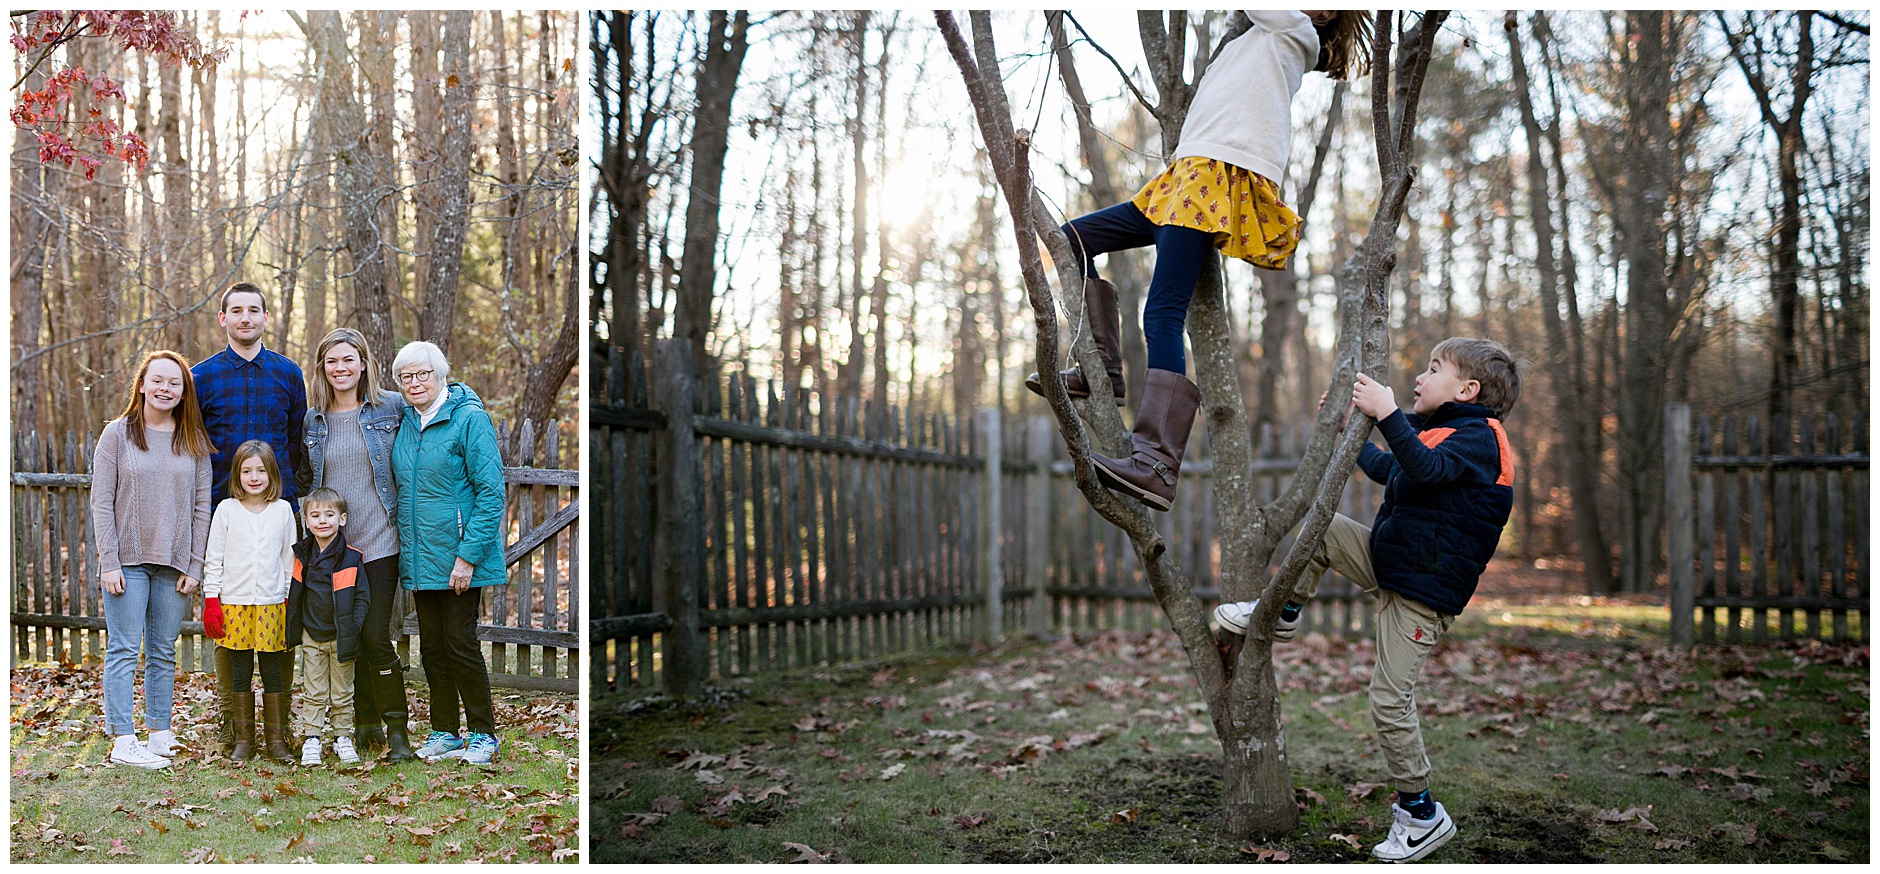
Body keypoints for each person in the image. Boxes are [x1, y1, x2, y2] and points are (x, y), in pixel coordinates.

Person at [1026, 10, 1372, 511]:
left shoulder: (1294, 31)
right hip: (1185, 177)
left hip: (1213, 178)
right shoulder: (1261, 34)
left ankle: (1157, 463)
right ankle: (1100, 364)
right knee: (1072, 239)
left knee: (1163, 312)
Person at [1214, 337, 1521, 863]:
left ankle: (1422, 813)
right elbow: (1392, 469)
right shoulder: (1442, 431)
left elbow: (1423, 468)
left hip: (1424, 592)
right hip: (1395, 563)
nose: (1419, 378)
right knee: (1325, 529)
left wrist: (1385, 412)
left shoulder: (1482, 438)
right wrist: (1350, 433)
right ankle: (1283, 614)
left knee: (1388, 699)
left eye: (1433, 369)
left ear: (1467, 390)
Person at [193, 281, 310, 753]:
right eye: (236, 311)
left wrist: (296, 506)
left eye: (254, 310)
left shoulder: (287, 373)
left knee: (277, 621)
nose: (245, 318)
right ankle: (232, 723)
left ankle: (280, 730)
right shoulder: (202, 377)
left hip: (278, 515)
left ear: (266, 317)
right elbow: (193, 447)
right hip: (225, 514)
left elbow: (299, 444)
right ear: (223, 319)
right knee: (230, 626)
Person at [89, 350, 214, 769]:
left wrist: (194, 565)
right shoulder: (118, 434)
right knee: (125, 649)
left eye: (174, 383)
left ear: (183, 391)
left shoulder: (193, 440)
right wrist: (109, 561)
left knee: (163, 650)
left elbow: (202, 508)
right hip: (127, 560)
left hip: (174, 563)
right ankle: (124, 740)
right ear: (141, 384)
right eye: (157, 380)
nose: (165, 388)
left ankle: (160, 733)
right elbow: (101, 502)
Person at [391, 341, 507, 765]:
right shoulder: (404, 422)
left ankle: (483, 733)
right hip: (421, 557)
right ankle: (445, 732)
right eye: (406, 377)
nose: (415, 383)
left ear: (441, 375)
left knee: (460, 644)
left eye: (422, 374)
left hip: (459, 556)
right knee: (432, 648)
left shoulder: (470, 420)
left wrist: (468, 555)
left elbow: (491, 493)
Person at [303, 327, 413, 761]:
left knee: (374, 636)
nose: (341, 368)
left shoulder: (392, 408)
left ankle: (397, 729)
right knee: (347, 634)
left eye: (349, 359)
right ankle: (364, 724)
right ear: (323, 368)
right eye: (332, 361)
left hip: (381, 543)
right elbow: (305, 483)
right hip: (337, 552)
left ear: (364, 363)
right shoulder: (314, 421)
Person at [201, 440, 298, 762]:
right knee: (239, 671)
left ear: (272, 473)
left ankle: (276, 741)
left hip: (272, 604)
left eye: (260, 470)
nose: (254, 477)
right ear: (236, 474)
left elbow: (289, 559)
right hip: (234, 603)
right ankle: (244, 740)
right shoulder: (226, 511)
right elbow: (214, 559)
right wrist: (212, 600)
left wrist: (288, 600)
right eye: (246, 471)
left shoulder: (283, 510)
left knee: (273, 671)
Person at [285, 488, 371, 767]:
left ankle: (342, 737)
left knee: (343, 690)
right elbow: (295, 595)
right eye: (315, 515)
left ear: (342, 519)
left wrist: (353, 626)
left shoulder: (352, 558)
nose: (323, 521)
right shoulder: (301, 557)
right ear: (306, 522)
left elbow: (362, 597)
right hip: (312, 634)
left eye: (329, 515)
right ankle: (312, 738)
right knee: (314, 690)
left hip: (342, 636)